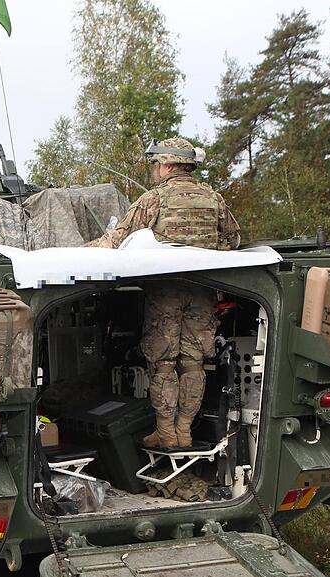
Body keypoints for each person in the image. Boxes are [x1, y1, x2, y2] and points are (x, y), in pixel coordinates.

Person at [89, 137, 242, 449]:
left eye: (157, 164)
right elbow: (233, 240)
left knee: (163, 363)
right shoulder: (214, 198)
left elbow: (118, 238)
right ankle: (185, 430)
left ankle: (166, 432)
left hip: (165, 292)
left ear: (168, 164)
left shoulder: (153, 199)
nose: (155, 170)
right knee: (193, 363)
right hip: (202, 292)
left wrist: (77, 252)